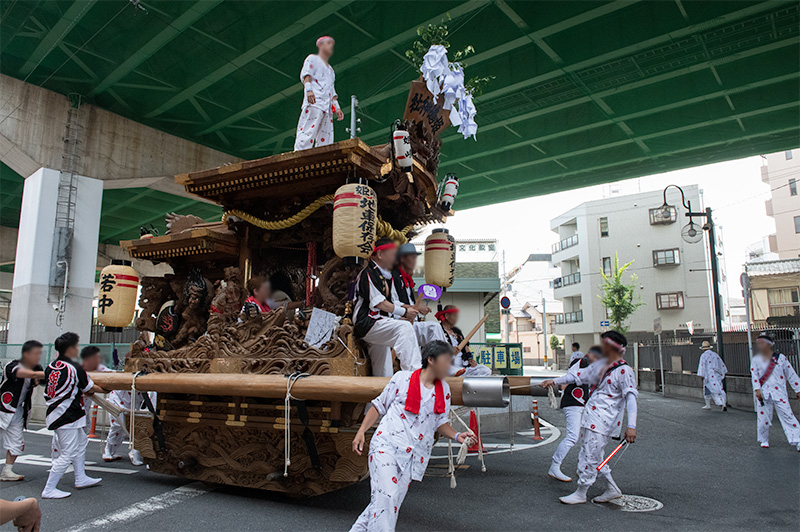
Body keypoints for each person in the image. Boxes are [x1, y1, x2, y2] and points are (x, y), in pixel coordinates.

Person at [350, 340, 474, 531]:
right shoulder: (402, 379)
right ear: (431, 360)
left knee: (384, 504)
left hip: (412, 456)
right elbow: (378, 405)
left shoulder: (445, 390)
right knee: (388, 497)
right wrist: (361, 432)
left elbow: (440, 422)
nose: (450, 365)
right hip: (387, 445)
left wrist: (458, 436)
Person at [542, 331, 638, 505]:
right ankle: (611, 489)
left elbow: (631, 398)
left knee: (589, 456)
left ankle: (581, 491)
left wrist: (631, 426)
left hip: (603, 421)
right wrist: (554, 381)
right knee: (595, 455)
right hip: (591, 418)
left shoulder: (624, 371)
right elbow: (576, 376)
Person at [41, 332, 104, 499]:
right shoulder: (75, 368)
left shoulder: (52, 366)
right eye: (76, 346)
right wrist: (106, 389)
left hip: (61, 413)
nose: (77, 349)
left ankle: (80, 477)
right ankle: (49, 488)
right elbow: (89, 388)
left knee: (81, 442)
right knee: (68, 452)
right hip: (67, 415)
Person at [353, 238, 421, 377]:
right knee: (404, 328)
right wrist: (405, 312)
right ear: (380, 254)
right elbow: (380, 303)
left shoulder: (384, 275)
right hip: (367, 322)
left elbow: (389, 303)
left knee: (383, 370)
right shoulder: (368, 273)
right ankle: (414, 375)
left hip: (378, 322)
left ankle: (380, 396)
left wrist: (407, 310)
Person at [548, 345, 601, 482]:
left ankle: (582, 467)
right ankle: (555, 466)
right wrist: (555, 382)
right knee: (572, 437)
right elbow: (570, 378)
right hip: (573, 403)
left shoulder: (587, 364)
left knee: (586, 437)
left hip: (581, 403)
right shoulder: (583, 363)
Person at [0, 340, 45, 481]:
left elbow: (43, 381)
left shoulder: (36, 368)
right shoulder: (12, 365)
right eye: (35, 353)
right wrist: (38, 375)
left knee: (16, 442)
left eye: (39, 354)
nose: (38, 357)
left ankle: (7, 471)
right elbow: (19, 373)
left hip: (18, 411)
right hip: (2, 408)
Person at [391, 243, 448, 347]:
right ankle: (442, 359)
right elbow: (392, 302)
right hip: (399, 321)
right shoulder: (393, 277)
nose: (415, 261)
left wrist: (417, 309)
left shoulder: (408, 280)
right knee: (434, 328)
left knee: (434, 330)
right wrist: (415, 307)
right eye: (412, 257)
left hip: (411, 322)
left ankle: (439, 358)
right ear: (403, 259)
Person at [750, 333, 800, 451]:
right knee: (763, 418)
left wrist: (797, 389)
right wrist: (757, 389)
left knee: (788, 415)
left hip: (780, 392)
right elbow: (754, 375)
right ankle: (764, 439)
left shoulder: (781, 358)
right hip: (763, 392)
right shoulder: (756, 360)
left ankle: (797, 439)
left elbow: (791, 374)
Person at [294, 35, 344, 151]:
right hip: (315, 101)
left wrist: (337, 108)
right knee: (308, 131)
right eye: (328, 43)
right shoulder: (312, 59)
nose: (331, 46)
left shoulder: (331, 70)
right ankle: (299, 154)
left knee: (326, 136)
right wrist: (308, 90)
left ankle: (322, 157)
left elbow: (332, 90)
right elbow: (307, 75)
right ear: (320, 45)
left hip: (327, 107)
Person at [437, 305, 491, 377]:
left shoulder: (457, 331)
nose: (456, 319)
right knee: (453, 372)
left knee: (485, 371)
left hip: (463, 366)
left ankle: (469, 385)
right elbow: (435, 348)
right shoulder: (438, 330)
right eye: (454, 316)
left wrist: (470, 359)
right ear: (446, 316)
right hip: (447, 367)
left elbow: (465, 345)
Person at [697, 340, 727, 411]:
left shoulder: (703, 356)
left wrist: (702, 375)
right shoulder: (715, 354)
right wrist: (721, 373)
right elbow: (721, 364)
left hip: (708, 375)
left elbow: (702, 366)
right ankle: (723, 403)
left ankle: (708, 404)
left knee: (707, 390)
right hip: (716, 374)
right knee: (719, 388)